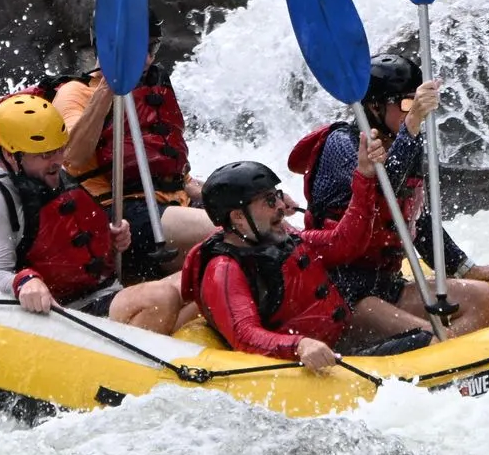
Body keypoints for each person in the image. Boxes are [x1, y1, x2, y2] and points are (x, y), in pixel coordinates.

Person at [287, 53, 489, 339]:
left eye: (416, 101)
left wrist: (464, 267)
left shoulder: (405, 141)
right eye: (405, 103)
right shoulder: (341, 146)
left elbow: (415, 219)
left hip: (388, 286)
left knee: (484, 297)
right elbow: (382, 192)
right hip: (343, 295)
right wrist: (411, 125)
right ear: (374, 107)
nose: (414, 110)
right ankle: (439, 351)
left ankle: (450, 358)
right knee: (432, 334)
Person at [183, 138, 440, 369]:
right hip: (303, 364)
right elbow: (244, 335)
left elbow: (346, 243)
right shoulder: (223, 270)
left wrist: (364, 176)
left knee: (434, 335)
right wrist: (299, 345)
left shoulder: (283, 238)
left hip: (339, 338)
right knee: (428, 342)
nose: (282, 207)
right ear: (238, 217)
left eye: (278, 196)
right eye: (269, 201)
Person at [0, 94, 188, 332]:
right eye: (43, 154)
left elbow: (64, 238)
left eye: (59, 150)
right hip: (63, 313)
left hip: (102, 293)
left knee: (194, 277)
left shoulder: (51, 173)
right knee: (160, 298)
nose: (56, 160)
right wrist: (24, 281)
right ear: (10, 155)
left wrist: (110, 239)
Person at [51, 13, 214, 279]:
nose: (148, 59)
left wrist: (242, 197)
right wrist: (109, 86)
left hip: (173, 206)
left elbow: (182, 180)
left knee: (260, 223)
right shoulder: (75, 92)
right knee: (232, 233)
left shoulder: (153, 89)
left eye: (152, 48)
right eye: (140, 49)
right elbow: (72, 156)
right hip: (121, 217)